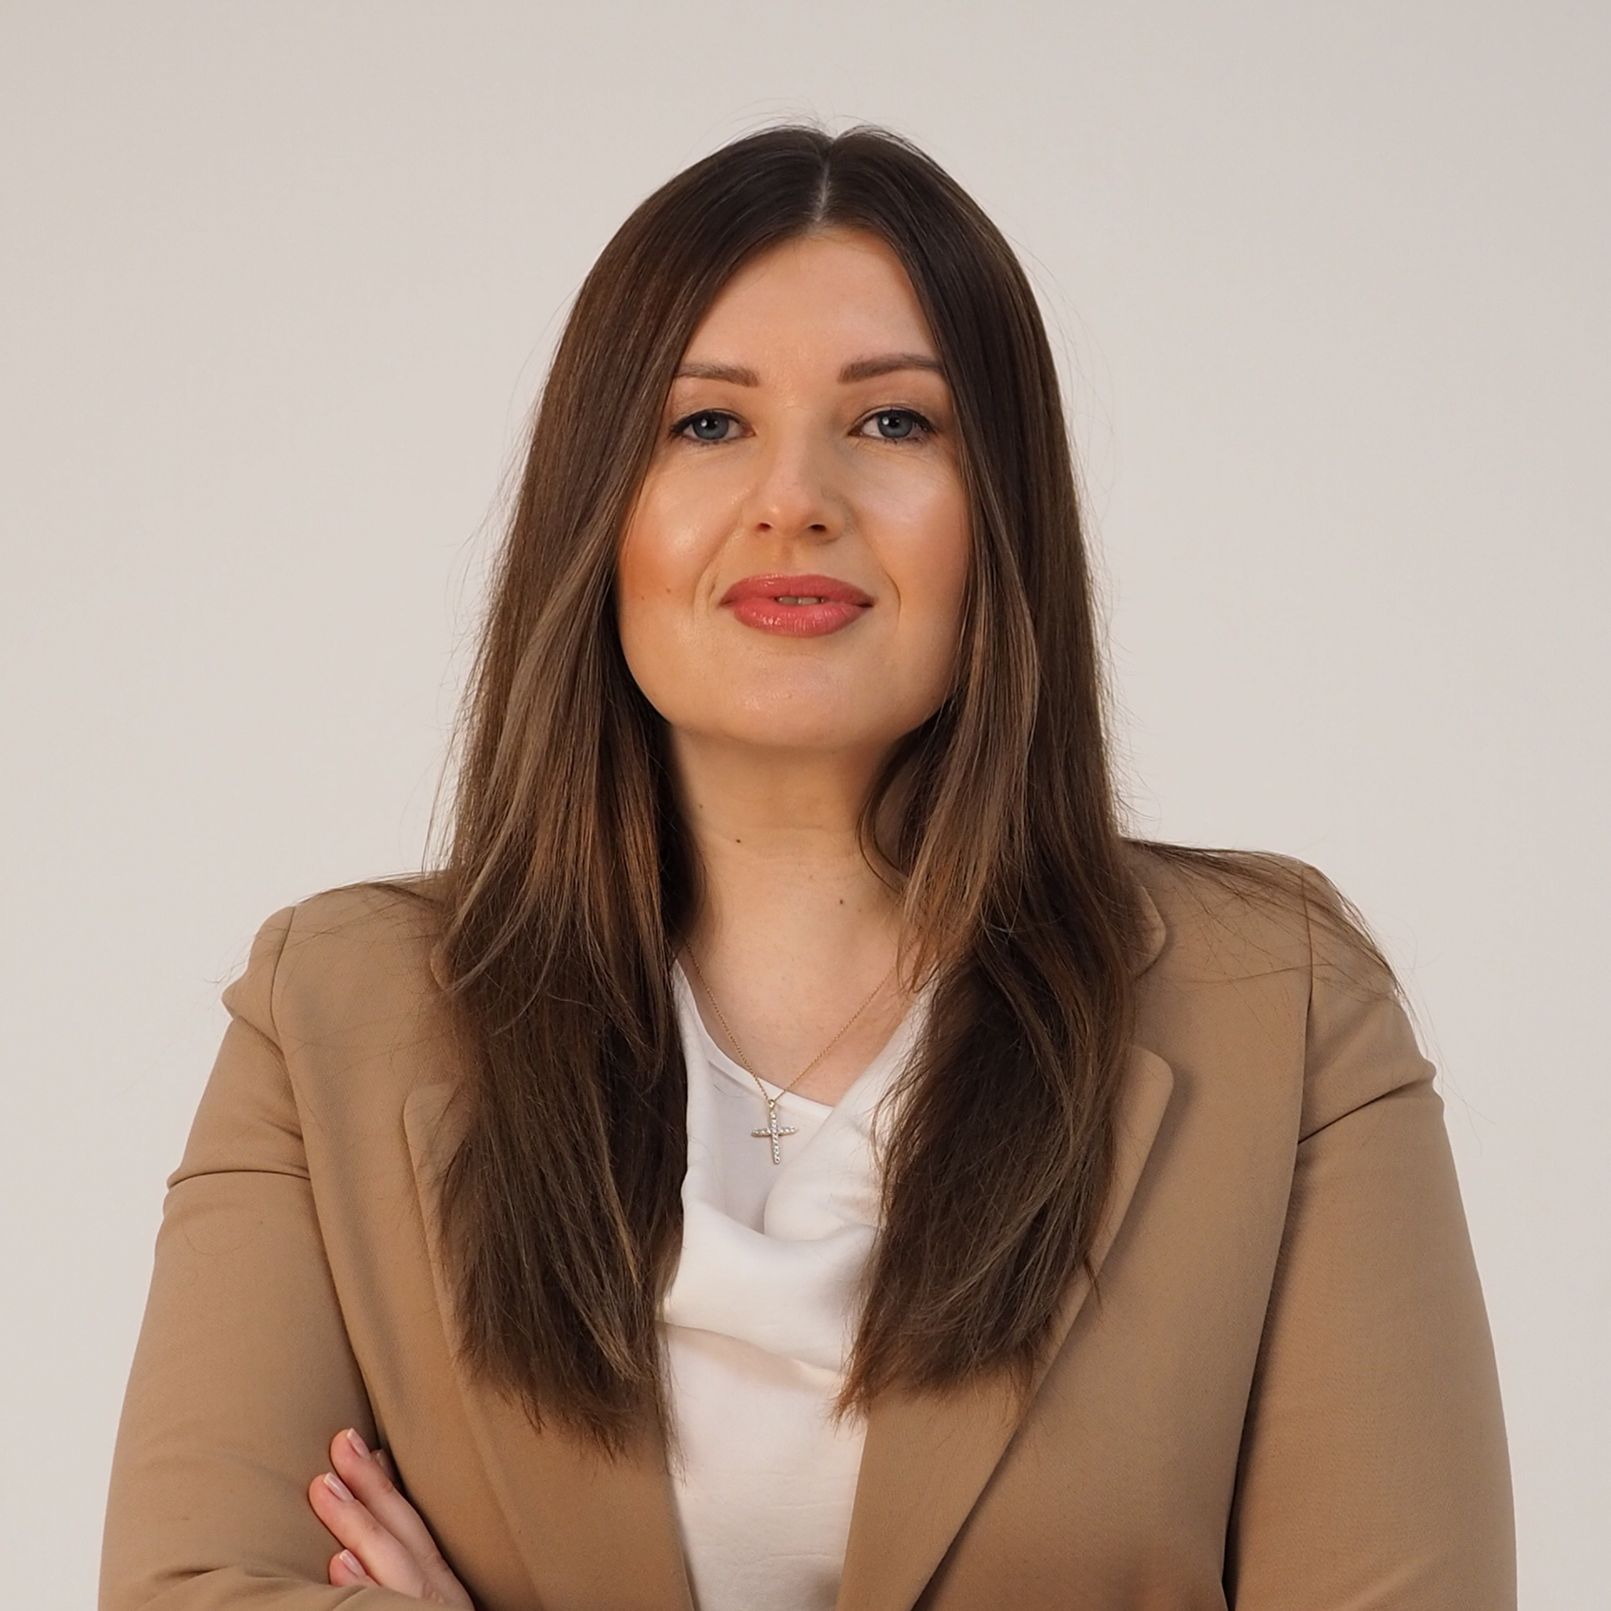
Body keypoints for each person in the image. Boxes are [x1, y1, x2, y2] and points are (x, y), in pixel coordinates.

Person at [99, 125, 1515, 1611]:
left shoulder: (1277, 1003)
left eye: (894, 422)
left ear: (1003, 511)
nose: (795, 499)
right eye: (707, 423)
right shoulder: (335, 1009)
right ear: (601, 510)